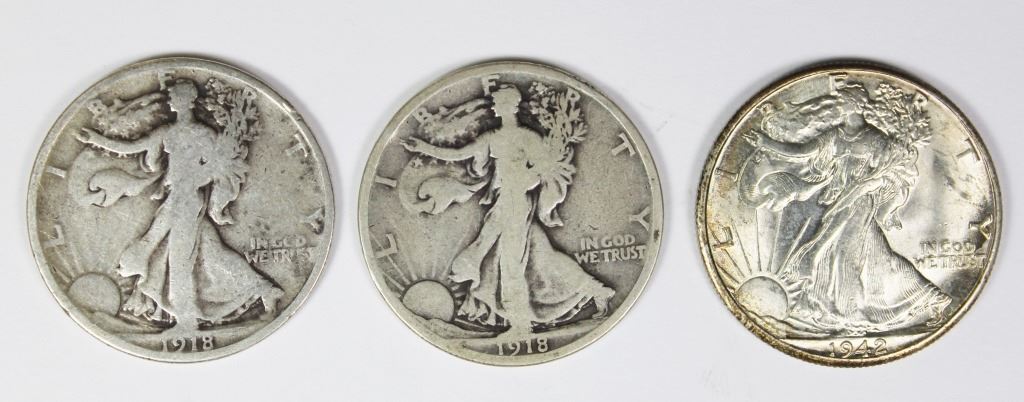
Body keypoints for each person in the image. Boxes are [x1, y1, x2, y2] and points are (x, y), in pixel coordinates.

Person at [739, 81, 950, 334]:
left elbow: (889, 176)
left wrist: (868, 188)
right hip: (837, 201)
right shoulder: (834, 136)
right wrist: (767, 143)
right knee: (869, 256)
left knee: (843, 254)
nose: (840, 106)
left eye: (845, 101)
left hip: (859, 204)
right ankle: (838, 310)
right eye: (841, 102)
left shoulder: (876, 140)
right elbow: (802, 151)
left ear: (857, 105)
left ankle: (852, 312)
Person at [401, 85, 613, 337]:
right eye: (495, 103)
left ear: (511, 105)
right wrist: (423, 148)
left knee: (510, 264)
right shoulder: (493, 137)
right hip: (504, 202)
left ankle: (521, 325)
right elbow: (459, 154)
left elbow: (544, 169)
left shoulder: (527, 137)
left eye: (499, 103)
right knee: (539, 258)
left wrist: (523, 183)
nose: (494, 107)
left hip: (517, 204)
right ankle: (597, 290)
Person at [75, 80, 283, 331]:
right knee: (213, 254)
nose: (172, 101)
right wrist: (95, 139)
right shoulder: (169, 132)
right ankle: (265, 290)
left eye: (175, 97)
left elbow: (217, 168)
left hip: (187, 203)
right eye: (173, 98)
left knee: (179, 263)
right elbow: (132, 148)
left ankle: (186, 321)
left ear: (187, 101)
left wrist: (192, 180)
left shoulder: (204, 135)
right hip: (177, 200)